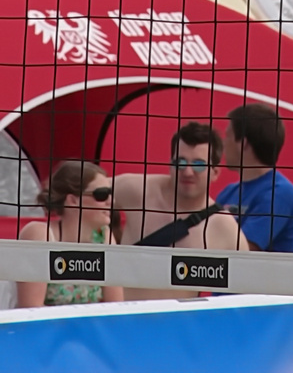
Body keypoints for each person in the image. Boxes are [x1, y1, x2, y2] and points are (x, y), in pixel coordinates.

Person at [115, 121, 247, 300]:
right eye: (181, 162)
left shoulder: (224, 228)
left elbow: (246, 297)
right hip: (123, 322)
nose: (188, 171)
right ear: (170, 164)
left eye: (199, 165)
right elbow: (83, 193)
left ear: (215, 172)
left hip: (178, 324)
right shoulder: (136, 191)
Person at [16, 160, 123, 307]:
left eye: (111, 194)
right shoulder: (40, 235)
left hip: (89, 327)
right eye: (102, 195)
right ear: (73, 200)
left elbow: (115, 308)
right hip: (47, 328)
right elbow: (31, 309)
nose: (111, 201)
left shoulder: (104, 237)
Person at [218, 103, 293, 252]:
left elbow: (244, 251)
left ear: (243, 144)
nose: (223, 143)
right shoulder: (229, 192)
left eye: (227, 135)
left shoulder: (280, 193)